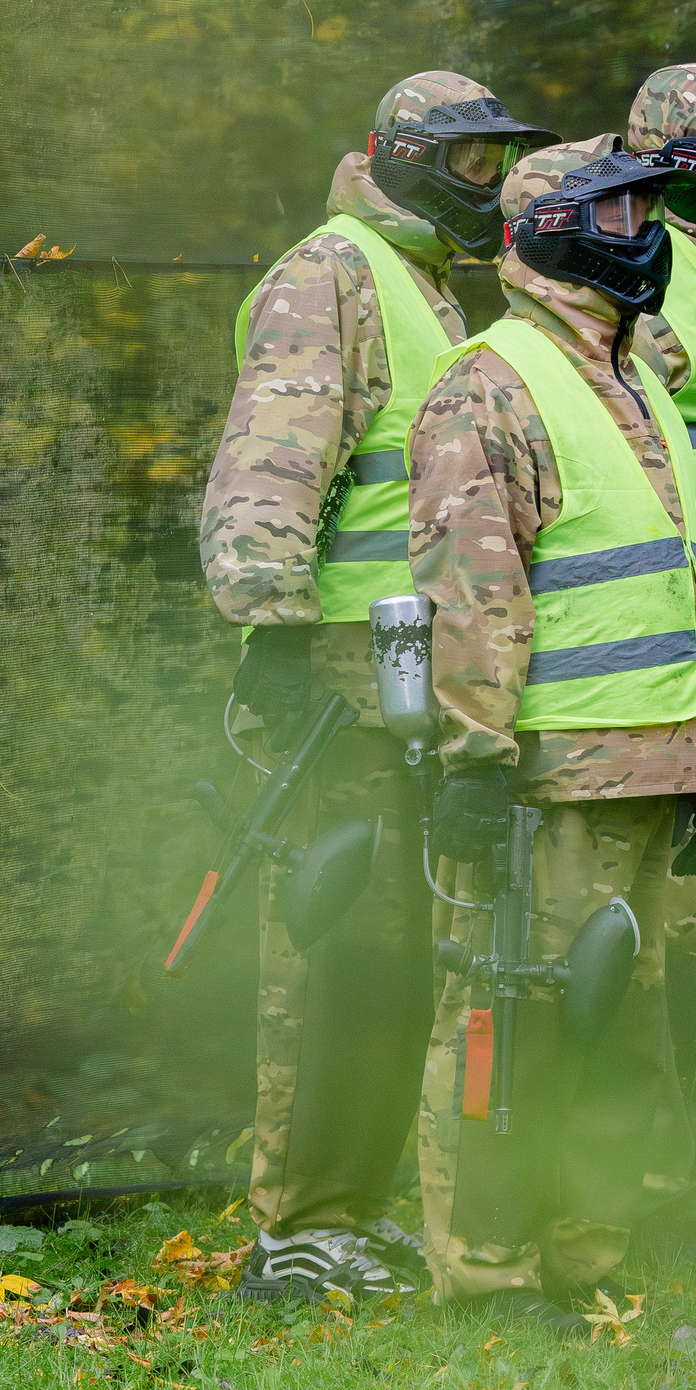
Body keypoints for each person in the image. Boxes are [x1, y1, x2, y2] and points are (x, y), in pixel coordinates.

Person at [200, 71, 556, 1301]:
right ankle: (301, 1227)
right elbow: (271, 461)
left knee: (399, 946)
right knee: (334, 948)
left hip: (406, 669)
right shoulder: (334, 270)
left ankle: (347, 1211)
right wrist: (274, 632)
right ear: (397, 156)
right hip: (344, 674)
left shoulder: (425, 286)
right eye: (465, 165)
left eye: (497, 167)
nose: (485, 188)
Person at [404, 137, 696, 1331]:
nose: (642, 227)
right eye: (619, 207)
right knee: (514, 1026)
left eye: (647, 205)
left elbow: (662, 589)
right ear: (549, 230)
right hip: (551, 779)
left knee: (622, 1030)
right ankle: (488, 1275)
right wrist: (475, 760)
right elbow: (470, 593)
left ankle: (582, 1259)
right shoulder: (490, 381)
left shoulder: (632, 376)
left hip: (649, 763)